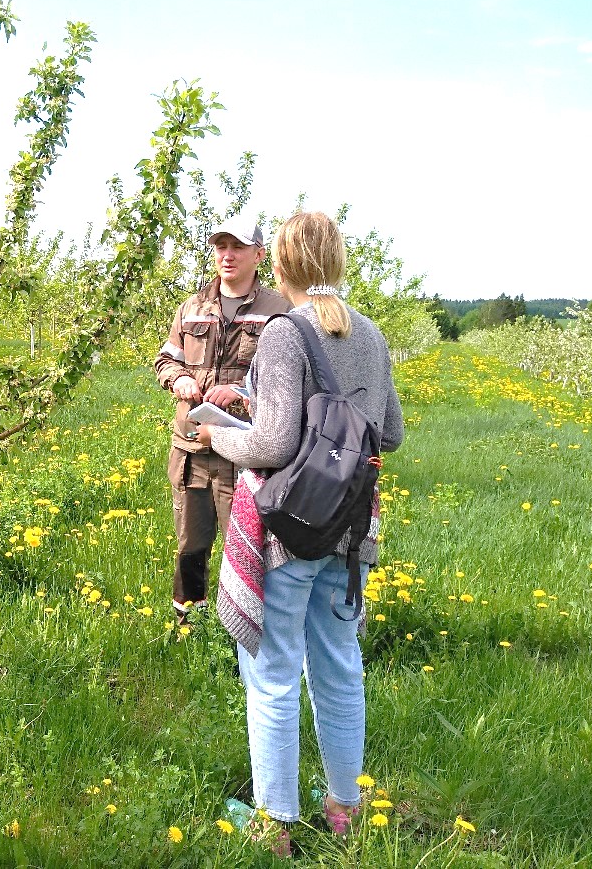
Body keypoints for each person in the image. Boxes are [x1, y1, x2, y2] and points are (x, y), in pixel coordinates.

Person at [195, 211, 405, 852]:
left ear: (279, 265)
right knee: (341, 667)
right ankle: (345, 807)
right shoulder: (369, 332)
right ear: (337, 263)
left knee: (274, 672)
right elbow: (389, 433)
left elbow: (273, 442)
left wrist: (216, 434)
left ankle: (274, 827)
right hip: (349, 529)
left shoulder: (285, 332)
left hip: (286, 530)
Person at [154, 215, 290, 622]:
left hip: (243, 450)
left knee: (245, 547)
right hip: (192, 447)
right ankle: (187, 621)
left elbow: (288, 381)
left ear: (259, 255)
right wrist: (176, 378)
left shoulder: (277, 312)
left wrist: (241, 391)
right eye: (220, 247)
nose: (226, 256)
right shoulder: (192, 307)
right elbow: (165, 359)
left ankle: (240, 630)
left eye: (237, 248)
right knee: (190, 544)